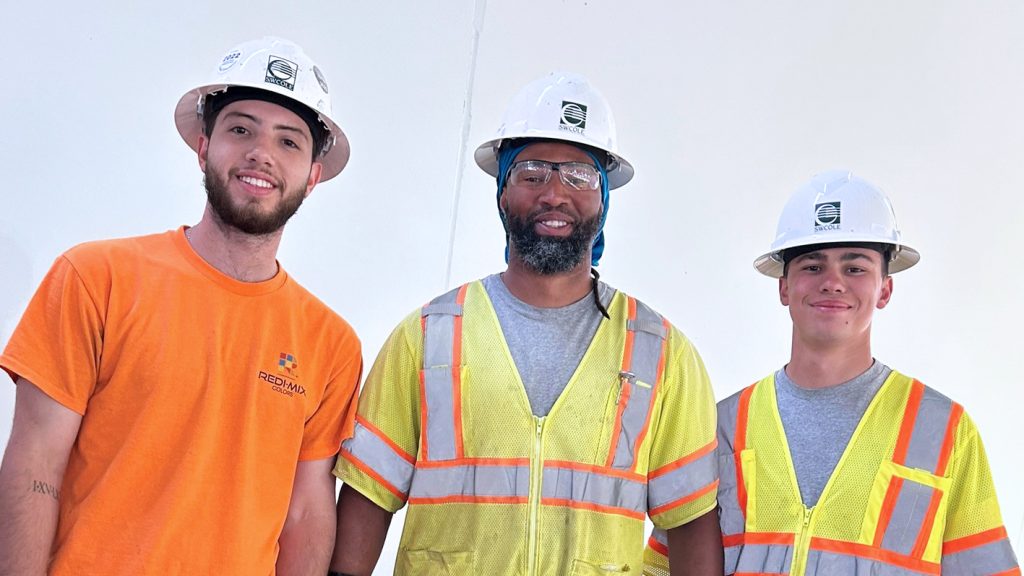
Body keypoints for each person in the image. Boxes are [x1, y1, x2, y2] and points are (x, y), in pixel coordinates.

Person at [328, 72, 722, 576]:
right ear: (502, 194)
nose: (554, 194)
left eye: (579, 175)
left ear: (604, 199)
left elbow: (690, 522)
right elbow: (367, 497)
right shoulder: (426, 337)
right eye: (532, 173)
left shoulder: (662, 353)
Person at [0, 37, 362, 575]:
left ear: (312, 175)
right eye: (240, 129)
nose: (261, 153)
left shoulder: (330, 343)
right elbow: (35, 468)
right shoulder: (96, 279)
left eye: (289, 142)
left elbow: (306, 511)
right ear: (203, 146)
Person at [644, 170, 1020, 575]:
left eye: (855, 268)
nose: (833, 283)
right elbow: (664, 568)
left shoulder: (944, 429)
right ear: (784, 287)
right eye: (812, 266)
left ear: (885, 290)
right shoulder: (720, 427)